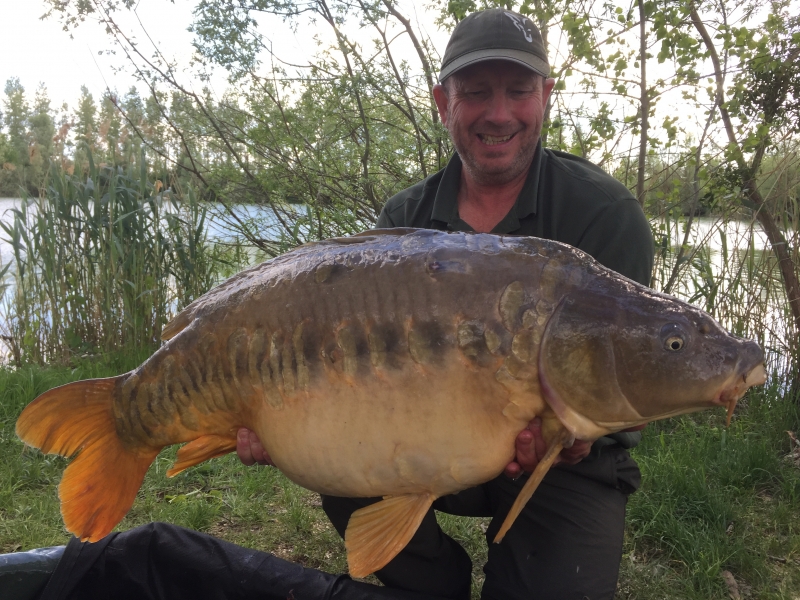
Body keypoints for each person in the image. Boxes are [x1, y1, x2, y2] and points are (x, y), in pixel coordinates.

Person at [237, 8, 654, 600]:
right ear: (443, 102)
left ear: (545, 96)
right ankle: (434, 582)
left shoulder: (605, 215)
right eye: (476, 92)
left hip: (561, 462)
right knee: (339, 452)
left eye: (518, 91)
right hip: (428, 443)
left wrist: (580, 437)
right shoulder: (403, 222)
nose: (499, 113)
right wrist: (273, 419)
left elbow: (627, 372)